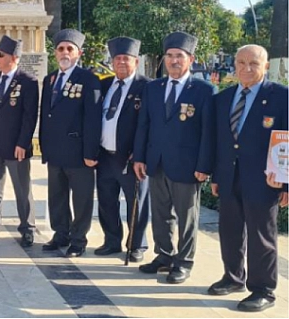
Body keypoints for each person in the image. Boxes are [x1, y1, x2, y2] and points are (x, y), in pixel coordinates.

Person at [208, 44, 288, 312]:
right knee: (229, 230)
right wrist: (216, 175)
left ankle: (263, 289)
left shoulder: (281, 97)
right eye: (241, 62)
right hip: (229, 176)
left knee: (261, 235)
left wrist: (287, 183)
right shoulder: (223, 98)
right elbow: (220, 141)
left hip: (265, 180)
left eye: (254, 63)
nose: (246, 68)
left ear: (265, 65)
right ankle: (233, 277)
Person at [133, 31, 215, 284]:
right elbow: (144, 125)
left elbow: (208, 132)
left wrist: (204, 165)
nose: (174, 60)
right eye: (169, 56)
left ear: (191, 59)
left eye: (179, 56)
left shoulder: (203, 90)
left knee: (186, 217)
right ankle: (164, 255)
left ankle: (184, 262)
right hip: (156, 162)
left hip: (187, 165)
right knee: (160, 214)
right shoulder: (153, 88)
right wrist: (139, 157)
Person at [38, 28, 102, 257]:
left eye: (69, 49)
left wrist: (90, 152)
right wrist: (44, 148)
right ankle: (60, 234)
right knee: (57, 197)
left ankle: (78, 240)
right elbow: (46, 115)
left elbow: (93, 119)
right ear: (55, 53)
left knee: (81, 199)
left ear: (78, 53)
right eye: (61, 49)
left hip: (78, 152)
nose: (65, 52)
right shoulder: (50, 79)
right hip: (55, 151)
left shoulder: (89, 80)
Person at [0, 35, 38, 247]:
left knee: (22, 188)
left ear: (14, 58)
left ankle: (27, 228)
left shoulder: (28, 81)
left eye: (0, 55)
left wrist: (23, 143)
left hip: (15, 145)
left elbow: (29, 117)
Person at [94, 37, 151, 262]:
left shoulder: (146, 87)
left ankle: (137, 245)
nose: (121, 62)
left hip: (130, 157)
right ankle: (111, 240)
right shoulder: (105, 84)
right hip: (105, 155)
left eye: (126, 58)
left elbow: (150, 124)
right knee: (107, 200)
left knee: (136, 202)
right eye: (117, 58)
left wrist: (140, 152)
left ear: (136, 61)